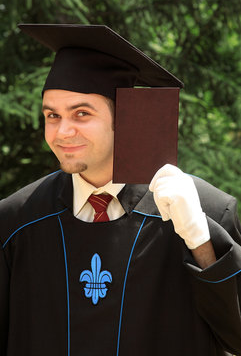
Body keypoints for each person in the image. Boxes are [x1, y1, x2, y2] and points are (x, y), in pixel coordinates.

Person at [0, 24, 240, 356]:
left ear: (123, 118)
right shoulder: (15, 222)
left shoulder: (208, 211)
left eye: (81, 114)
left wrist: (200, 241)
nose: (62, 131)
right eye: (52, 115)